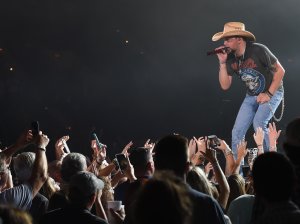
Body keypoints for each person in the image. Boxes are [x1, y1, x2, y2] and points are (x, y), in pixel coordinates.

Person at [212, 22, 285, 158]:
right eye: (224, 40)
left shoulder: (258, 50)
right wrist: (222, 63)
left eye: (228, 39)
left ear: (239, 39)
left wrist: (268, 94)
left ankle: (271, 163)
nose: (225, 43)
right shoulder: (230, 58)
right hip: (252, 95)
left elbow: (280, 71)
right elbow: (225, 85)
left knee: (259, 123)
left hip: (272, 90)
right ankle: (236, 174)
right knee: (237, 132)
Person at [40, 171, 108, 224]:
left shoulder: (48, 218)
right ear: (93, 198)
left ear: (69, 194)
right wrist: (98, 200)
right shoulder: (98, 222)